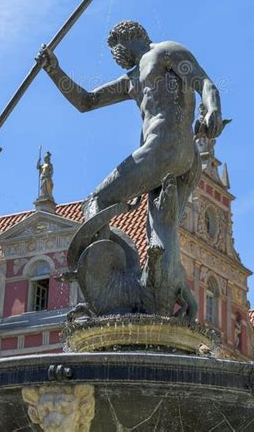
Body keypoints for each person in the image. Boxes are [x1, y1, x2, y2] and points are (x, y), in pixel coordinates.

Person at [36, 20, 224, 268]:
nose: (115, 58)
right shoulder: (132, 78)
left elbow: (205, 83)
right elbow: (86, 101)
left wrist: (213, 110)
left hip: (162, 149)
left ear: (123, 41)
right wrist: (53, 69)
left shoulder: (165, 50)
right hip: (185, 158)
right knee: (159, 232)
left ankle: (111, 268)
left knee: (96, 201)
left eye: (114, 50)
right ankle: (162, 291)